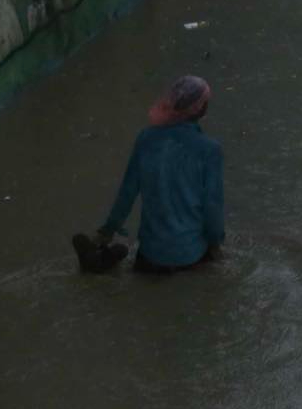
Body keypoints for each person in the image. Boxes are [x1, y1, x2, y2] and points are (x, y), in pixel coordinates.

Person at [73, 76, 225, 275]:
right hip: (189, 256)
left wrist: (106, 233)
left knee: (132, 263)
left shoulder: (146, 138)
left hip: (149, 257)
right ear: (200, 108)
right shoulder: (210, 150)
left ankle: (101, 259)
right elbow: (212, 207)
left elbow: (127, 193)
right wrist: (216, 247)